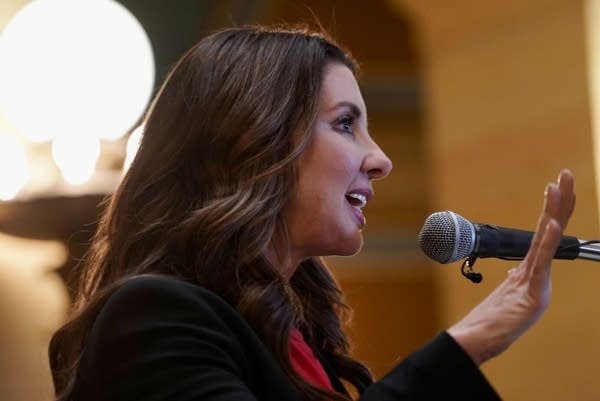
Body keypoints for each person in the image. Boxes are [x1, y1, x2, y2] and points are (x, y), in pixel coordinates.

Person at [48, 24, 576, 401]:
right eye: (346, 124)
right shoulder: (153, 318)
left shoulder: (295, 335)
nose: (382, 160)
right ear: (257, 142)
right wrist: (468, 342)